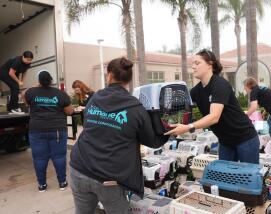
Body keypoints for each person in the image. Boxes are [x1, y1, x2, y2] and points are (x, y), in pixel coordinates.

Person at [69, 57, 169, 214]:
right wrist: (169, 130)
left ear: (109, 75)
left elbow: (89, 124)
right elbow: (152, 141)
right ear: (129, 79)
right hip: (109, 178)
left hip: (79, 168)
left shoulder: (94, 99)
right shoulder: (136, 108)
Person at [165, 49, 259, 164]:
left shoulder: (220, 84)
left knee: (249, 177)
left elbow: (214, 117)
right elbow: (175, 106)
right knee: (225, 177)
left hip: (245, 138)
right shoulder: (196, 91)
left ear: (210, 64)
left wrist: (188, 126)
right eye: (192, 64)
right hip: (225, 141)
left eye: (197, 63)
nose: (193, 67)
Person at [23, 70, 74, 192]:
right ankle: (62, 182)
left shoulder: (31, 92)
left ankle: (42, 185)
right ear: (51, 80)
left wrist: (37, 87)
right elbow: (70, 112)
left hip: (36, 130)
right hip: (57, 130)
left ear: (38, 81)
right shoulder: (60, 94)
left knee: (39, 158)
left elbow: (25, 99)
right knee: (59, 156)